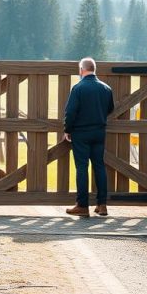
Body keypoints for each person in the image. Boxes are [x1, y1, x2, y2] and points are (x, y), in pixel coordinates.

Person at [63, 57, 114, 218]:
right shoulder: (106, 88)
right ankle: (102, 204)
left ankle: (82, 205)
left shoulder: (78, 88)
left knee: (82, 168)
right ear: (94, 69)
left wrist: (67, 129)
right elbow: (110, 108)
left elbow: (70, 112)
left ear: (81, 70)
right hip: (99, 131)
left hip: (81, 133)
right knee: (99, 166)